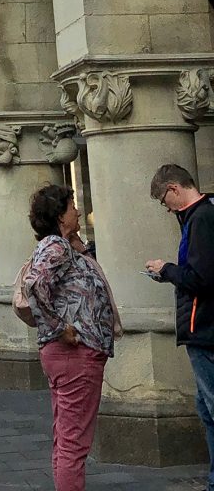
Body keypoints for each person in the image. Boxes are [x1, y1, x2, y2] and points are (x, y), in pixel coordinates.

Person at [24, 185, 118, 491]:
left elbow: (91, 276)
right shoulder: (56, 247)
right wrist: (59, 327)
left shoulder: (64, 245)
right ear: (59, 215)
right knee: (73, 444)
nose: (77, 210)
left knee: (66, 438)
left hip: (72, 355)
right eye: (72, 206)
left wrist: (79, 246)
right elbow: (35, 286)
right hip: (75, 354)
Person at [146, 163, 214, 490]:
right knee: (205, 407)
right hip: (201, 327)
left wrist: (167, 269)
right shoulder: (199, 216)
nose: (165, 206)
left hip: (204, 328)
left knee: (211, 406)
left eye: (163, 199)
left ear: (174, 189)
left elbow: (201, 278)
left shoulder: (201, 219)